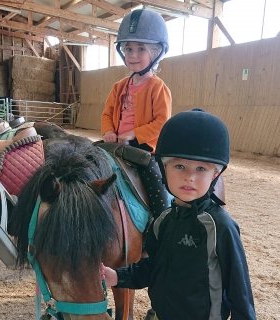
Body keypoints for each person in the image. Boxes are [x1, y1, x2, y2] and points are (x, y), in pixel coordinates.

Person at [101, 109, 257, 320]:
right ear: (164, 169)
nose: (189, 177)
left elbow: (240, 291)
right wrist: (117, 277)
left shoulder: (221, 226)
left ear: (215, 174)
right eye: (180, 166)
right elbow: (152, 267)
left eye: (201, 168)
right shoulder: (163, 220)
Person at [101, 8, 172, 219]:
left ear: (156, 52)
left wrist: (134, 134)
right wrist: (108, 132)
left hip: (145, 147)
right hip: (115, 143)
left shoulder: (158, 88)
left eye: (141, 49)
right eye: (128, 48)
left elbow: (162, 122)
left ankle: (161, 220)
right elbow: (107, 114)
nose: (133, 55)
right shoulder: (118, 87)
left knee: (153, 177)